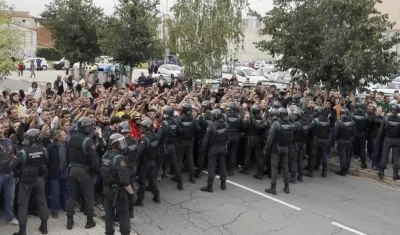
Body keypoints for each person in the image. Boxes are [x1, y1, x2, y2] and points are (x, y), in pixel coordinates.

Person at [9, 129, 49, 235]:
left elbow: (11, 166)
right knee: (42, 202)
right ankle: (44, 227)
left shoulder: (23, 152)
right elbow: (46, 161)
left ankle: (22, 231)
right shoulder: (43, 149)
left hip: (25, 182)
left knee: (23, 205)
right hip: (39, 179)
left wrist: (16, 163)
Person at [65, 117, 100, 230]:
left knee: (72, 196)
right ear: (83, 127)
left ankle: (69, 221)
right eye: (89, 126)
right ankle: (89, 221)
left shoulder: (70, 139)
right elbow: (94, 162)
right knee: (88, 197)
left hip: (72, 170)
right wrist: (97, 172)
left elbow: (67, 156)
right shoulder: (88, 141)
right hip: (84, 171)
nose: (91, 128)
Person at [100, 133, 135, 235]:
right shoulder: (119, 159)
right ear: (114, 145)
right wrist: (131, 193)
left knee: (109, 215)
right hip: (119, 192)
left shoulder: (105, 155)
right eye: (120, 143)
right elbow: (124, 180)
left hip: (107, 189)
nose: (123, 145)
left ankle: (109, 232)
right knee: (124, 214)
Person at [264, 108, 293, 195]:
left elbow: (270, 137)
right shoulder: (290, 124)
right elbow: (291, 138)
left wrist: (266, 148)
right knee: (285, 167)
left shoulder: (276, 124)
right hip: (286, 148)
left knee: (274, 167)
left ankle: (273, 187)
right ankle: (286, 187)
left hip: (276, 148)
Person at [200, 109, 229, 193]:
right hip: (222, 147)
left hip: (213, 148)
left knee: (211, 167)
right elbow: (228, 137)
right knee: (222, 165)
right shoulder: (226, 124)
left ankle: (209, 186)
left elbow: (206, 140)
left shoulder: (211, 125)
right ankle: (223, 184)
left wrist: (203, 150)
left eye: (213, 115)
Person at [156, 106, 183, 190]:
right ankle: (180, 184)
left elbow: (158, 137)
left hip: (164, 146)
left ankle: (151, 185)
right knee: (175, 165)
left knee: (156, 165)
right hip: (172, 146)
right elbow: (180, 131)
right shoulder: (175, 121)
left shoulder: (164, 123)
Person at [135, 118, 160, 206]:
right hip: (153, 161)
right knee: (152, 180)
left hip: (145, 163)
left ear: (147, 128)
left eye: (143, 127)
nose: (141, 128)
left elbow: (138, 152)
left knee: (142, 181)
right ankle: (157, 196)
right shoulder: (155, 136)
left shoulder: (145, 139)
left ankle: (140, 200)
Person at [176, 103, 200, 183]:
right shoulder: (193, 119)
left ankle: (178, 178)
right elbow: (198, 128)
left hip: (181, 141)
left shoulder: (179, 119)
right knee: (190, 159)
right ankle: (192, 177)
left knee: (179, 159)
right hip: (190, 141)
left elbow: (178, 130)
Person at [119, 121, 138, 218]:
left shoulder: (121, 143)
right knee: (132, 186)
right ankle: (131, 210)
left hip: (126, 169)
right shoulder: (134, 140)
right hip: (133, 167)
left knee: (125, 188)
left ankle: (125, 209)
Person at [304, 106, 330, 178]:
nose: (314, 113)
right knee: (324, 156)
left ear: (318, 112)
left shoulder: (316, 120)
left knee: (313, 156)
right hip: (325, 140)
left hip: (316, 140)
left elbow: (308, 128)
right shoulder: (327, 120)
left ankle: (310, 172)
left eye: (315, 111)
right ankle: (324, 172)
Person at [378, 104, 400, 180]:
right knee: (396, 158)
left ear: (391, 110)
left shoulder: (386, 118)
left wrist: (379, 139)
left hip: (387, 139)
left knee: (384, 156)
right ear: (398, 111)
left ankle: (381, 173)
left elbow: (380, 131)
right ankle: (395, 175)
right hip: (397, 140)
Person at [331, 108, 356, 176]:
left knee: (342, 156)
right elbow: (354, 133)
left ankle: (343, 170)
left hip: (341, 141)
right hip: (349, 141)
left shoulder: (339, 122)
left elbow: (335, 133)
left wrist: (333, 141)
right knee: (348, 155)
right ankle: (347, 168)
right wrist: (351, 139)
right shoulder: (352, 121)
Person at [195, 100, 213, 178]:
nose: (201, 108)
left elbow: (197, 127)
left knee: (201, 155)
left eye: (203, 106)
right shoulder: (213, 115)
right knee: (209, 155)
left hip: (202, 137)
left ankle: (198, 172)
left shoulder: (201, 116)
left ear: (205, 107)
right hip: (211, 137)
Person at [224, 102, 241, 176]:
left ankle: (224, 168)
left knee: (225, 152)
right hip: (236, 136)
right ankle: (231, 170)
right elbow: (242, 125)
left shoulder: (225, 115)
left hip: (227, 136)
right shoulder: (239, 116)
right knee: (233, 154)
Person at [352, 101, 369, 169]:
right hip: (362, 133)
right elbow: (368, 124)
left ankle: (348, 162)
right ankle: (363, 163)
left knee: (352, 148)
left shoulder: (353, 114)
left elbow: (352, 123)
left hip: (355, 133)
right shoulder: (365, 114)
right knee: (362, 149)